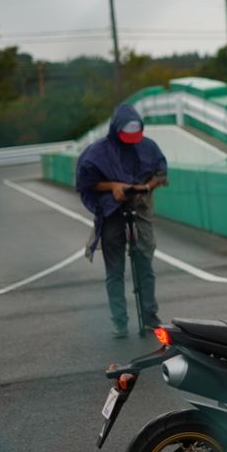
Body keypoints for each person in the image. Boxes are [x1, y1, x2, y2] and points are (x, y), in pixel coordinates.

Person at [76, 104, 168, 338]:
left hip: (140, 204)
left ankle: (150, 317)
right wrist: (114, 186)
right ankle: (119, 320)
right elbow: (86, 182)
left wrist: (145, 187)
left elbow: (161, 173)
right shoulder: (98, 151)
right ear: (115, 130)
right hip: (112, 209)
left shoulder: (148, 147)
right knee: (115, 269)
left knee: (145, 261)